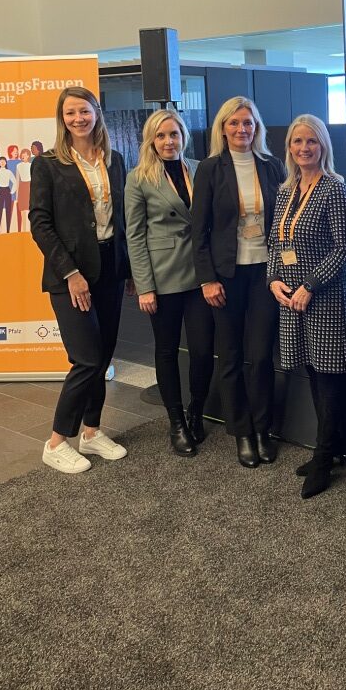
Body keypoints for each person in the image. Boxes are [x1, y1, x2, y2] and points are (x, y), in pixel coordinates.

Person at [29, 87, 132, 474]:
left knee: (102, 356)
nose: (78, 119)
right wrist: (70, 273)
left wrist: (129, 270)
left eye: (84, 111)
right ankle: (57, 442)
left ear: (96, 113)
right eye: (70, 113)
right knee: (86, 359)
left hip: (110, 268)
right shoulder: (48, 163)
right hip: (70, 273)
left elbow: (122, 220)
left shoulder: (114, 159)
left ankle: (91, 432)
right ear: (62, 118)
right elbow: (40, 224)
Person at [192, 97, 285, 468]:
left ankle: (263, 429)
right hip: (225, 277)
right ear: (223, 128)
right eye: (234, 123)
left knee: (260, 356)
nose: (241, 129)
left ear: (256, 127)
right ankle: (241, 432)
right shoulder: (210, 169)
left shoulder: (272, 165)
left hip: (265, 274)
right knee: (230, 356)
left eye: (248, 122)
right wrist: (207, 279)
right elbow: (198, 231)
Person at [268, 114, 346, 499]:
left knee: (328, 376)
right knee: (311, 371)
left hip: (323, 298)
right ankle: (329, 448)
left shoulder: (335, 189)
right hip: (289, 297)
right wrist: (273, 279)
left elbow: (344, 249)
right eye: (297, 141)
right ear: (289, 147)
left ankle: (323, 456)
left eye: (311, 141)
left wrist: (310, 285)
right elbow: (276, 242)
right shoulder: (286, 190)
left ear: (323, 146)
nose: (304, 148)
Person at [125, 110, 215, 457]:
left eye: (173, 134)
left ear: (183, 136)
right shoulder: (139, 178)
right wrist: (144, 285)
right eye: (160, 135)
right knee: (166, 350)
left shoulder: (198, 168)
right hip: (162, 277)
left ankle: (196, 411)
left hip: (199, 275)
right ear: (150, 140)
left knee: (203, 349)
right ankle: (176, 422)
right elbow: (135, 235)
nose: (168, 141)